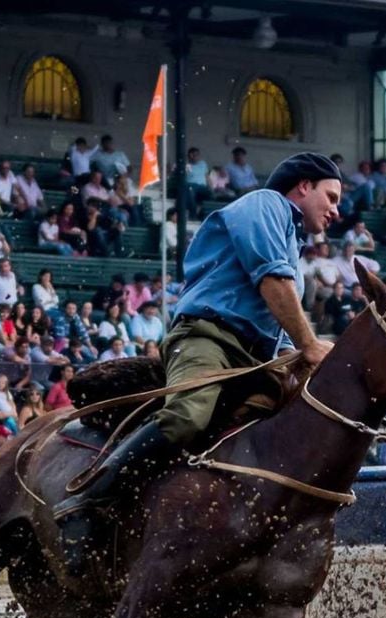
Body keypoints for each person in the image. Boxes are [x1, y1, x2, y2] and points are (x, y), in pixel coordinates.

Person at [52, 152, 342, 573]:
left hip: (254, 358)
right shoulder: (266, 204)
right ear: (303, 186)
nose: (336, 210)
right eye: (331, 197)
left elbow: (280, 331)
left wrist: (296, 365)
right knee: (189, 416)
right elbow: (272, 281)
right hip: (207, 337)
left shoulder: (292, 243)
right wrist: (311, 345)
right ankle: (87, 498)